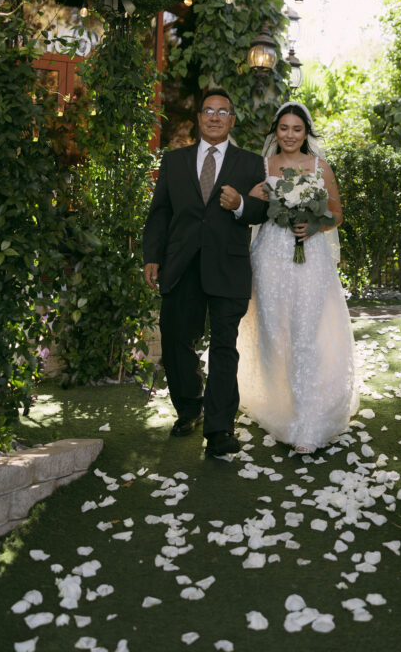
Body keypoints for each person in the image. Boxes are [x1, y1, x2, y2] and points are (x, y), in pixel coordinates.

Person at [143, 88, 268, 459]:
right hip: (181, 264)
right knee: (176, 341)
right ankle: (189, 406)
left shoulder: (250, 164)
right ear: (199, 118)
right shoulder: (174, 160)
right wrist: (152, 256)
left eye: (223, 111)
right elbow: (161, 212)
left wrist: (241, 204)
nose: (215, 117)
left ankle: (219, 429)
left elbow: (264, 212)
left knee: (224, 347)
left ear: (231, 120)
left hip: (228, 267)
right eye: (208, 110)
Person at [237, 102, 358, 453]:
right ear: (275, 130)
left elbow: (337, 214)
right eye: (284, 128)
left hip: (309, 258)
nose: (290, 135)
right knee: (274, 330)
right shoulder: (262, 166)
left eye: (297, 129)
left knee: (306, 333)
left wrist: (315, 224)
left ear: (306, 133)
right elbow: (251, 207)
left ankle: (308, 419)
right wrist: (252, 197)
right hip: (270, 257)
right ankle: (280, 408)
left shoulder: (320, 167)